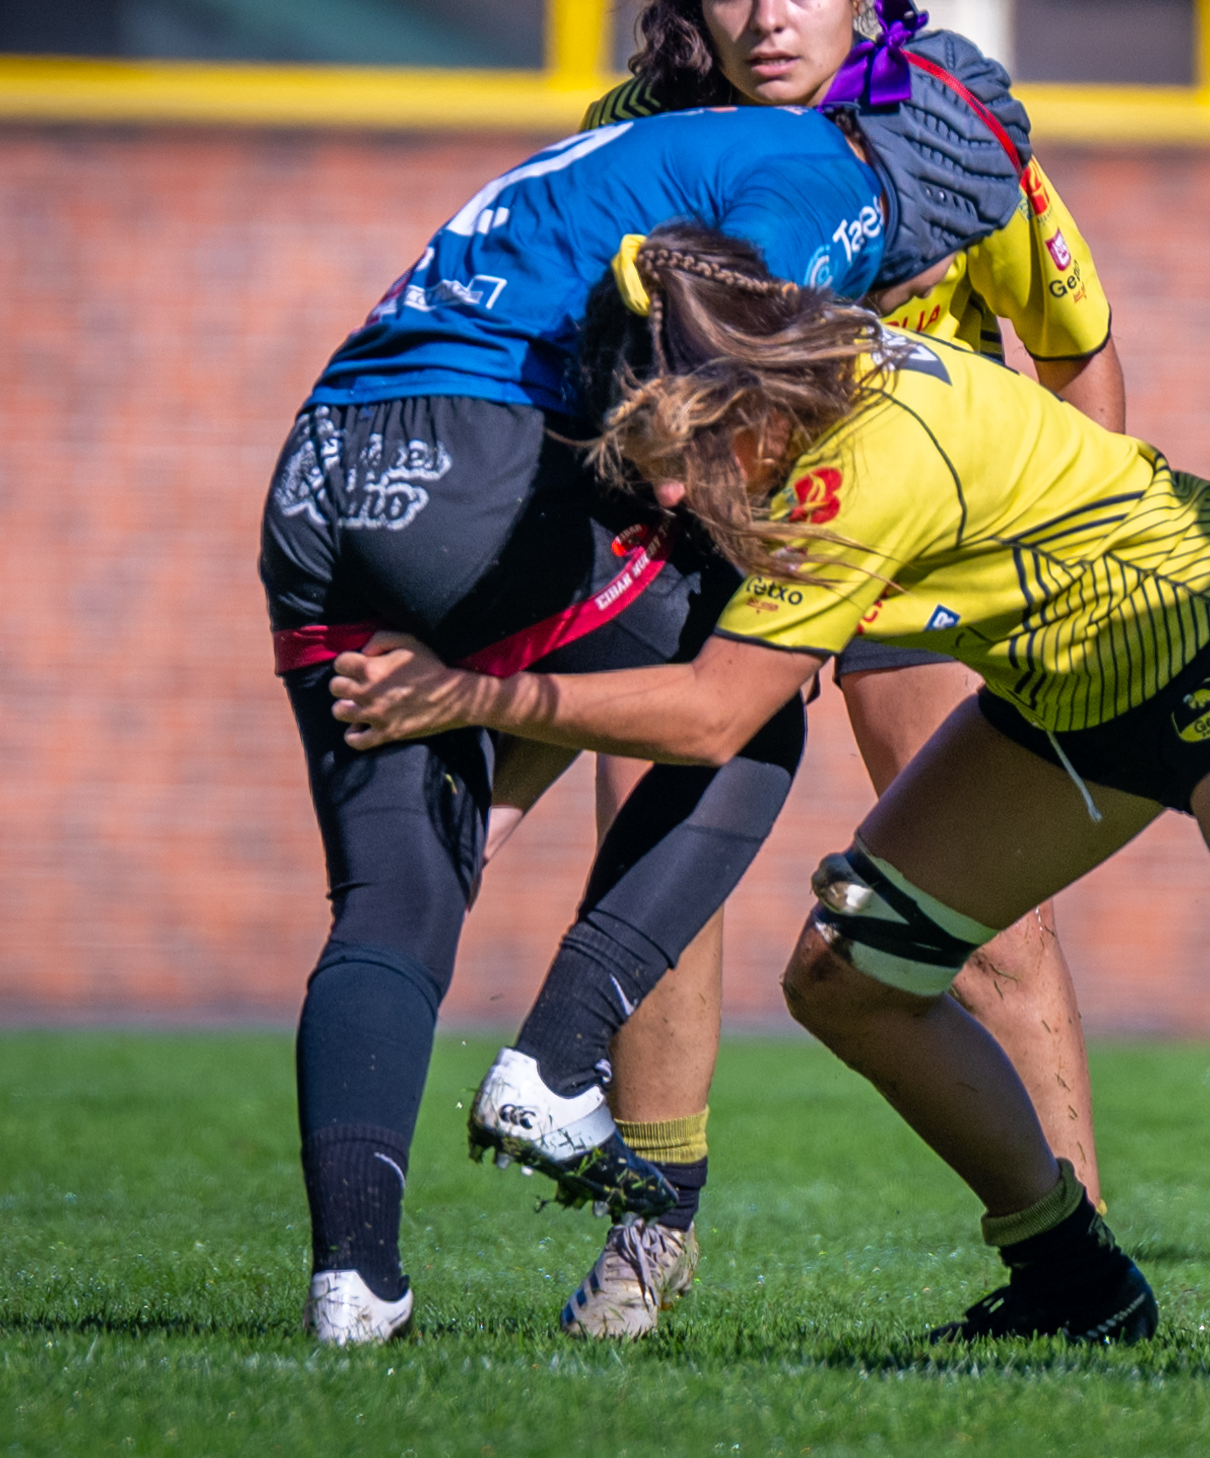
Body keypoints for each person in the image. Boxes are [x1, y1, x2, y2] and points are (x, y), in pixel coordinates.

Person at [328, 224, 1210, 1355]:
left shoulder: (858, 463)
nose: (683, 498)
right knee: (846, 976)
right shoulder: (805, 371)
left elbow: (711, 715)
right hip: (1072, 701)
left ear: (737, 401)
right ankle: (1073, 1276)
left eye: (681, 461)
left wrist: (469, 697)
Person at [549, 0, 1123, 1339]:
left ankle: (1080, 1254)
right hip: (720, 544)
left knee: (978, 903)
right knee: (648, 850)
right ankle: (648, 1239)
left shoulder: (949, 132)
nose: (768, 20)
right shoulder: (635, 130)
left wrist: (1066, 551)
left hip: (919, 550)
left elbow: (1077, 352)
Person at [265, 102, 912, 1346]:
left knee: (394, 899)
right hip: (477, 454)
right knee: (743, 711)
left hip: (320, 471)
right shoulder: (830, 171)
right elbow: (724, 347)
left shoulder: (630, 140)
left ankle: (355, 1289)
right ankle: (560, 1063)